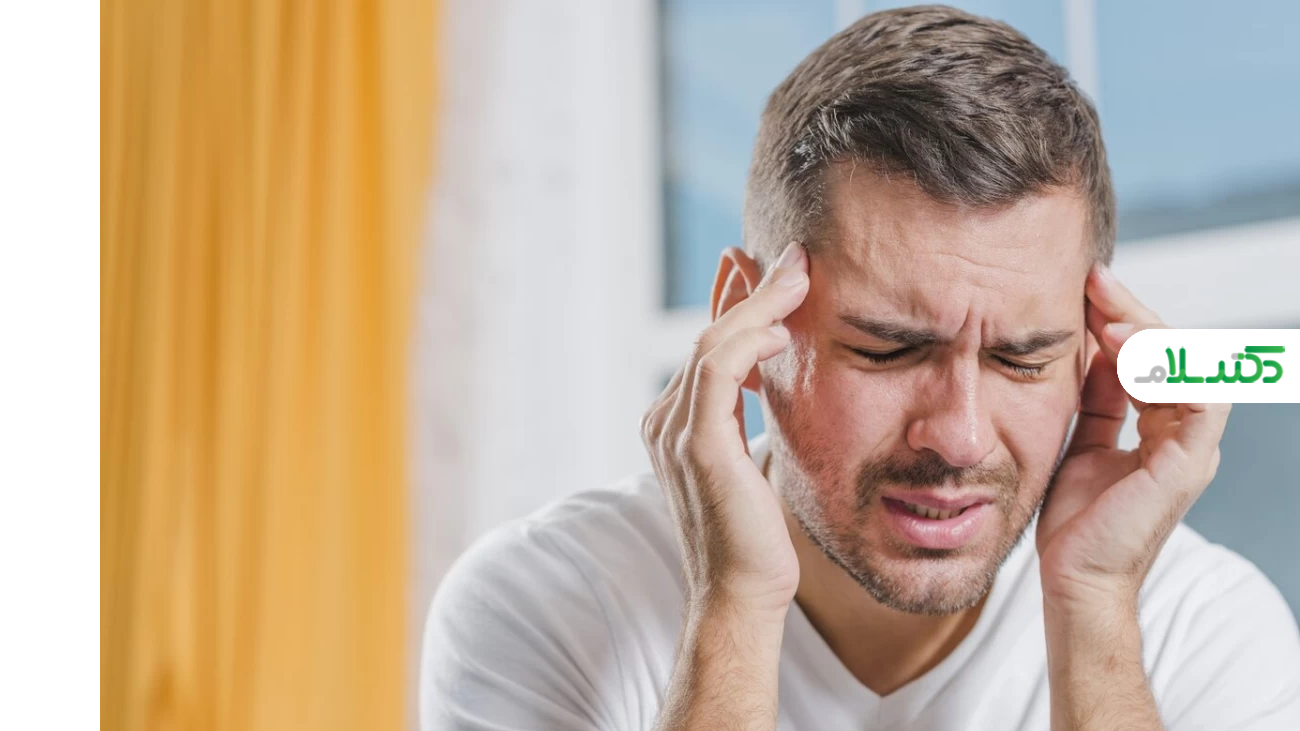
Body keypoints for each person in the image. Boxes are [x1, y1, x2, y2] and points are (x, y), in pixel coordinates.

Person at [421, 6, 1300, 730]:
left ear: (1091, 353)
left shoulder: (1206, 631)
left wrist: (1094, 604)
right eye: (888, 349)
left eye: (1021, 359)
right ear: (745, 321)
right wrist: (734, 605)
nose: (959, 437)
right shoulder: (543, 606)